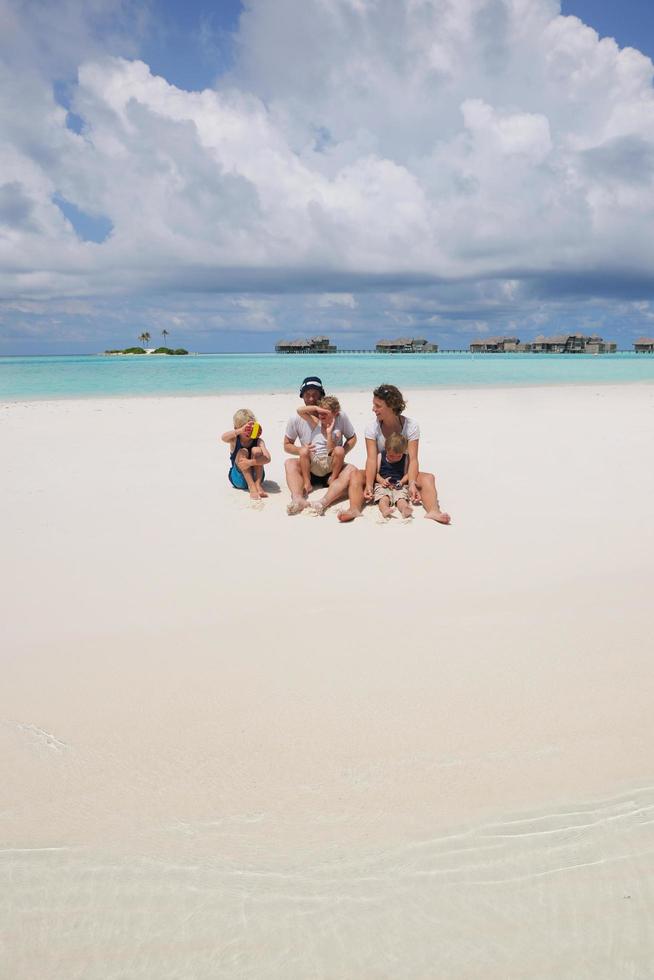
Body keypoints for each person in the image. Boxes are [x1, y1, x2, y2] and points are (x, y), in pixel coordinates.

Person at [338, 383, 451, 524]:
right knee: (355, 475)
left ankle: (433, 511)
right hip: (379, 475)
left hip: (403, 474)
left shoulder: (411, 426)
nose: (373, 409)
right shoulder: (371, 428)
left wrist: (411, 483)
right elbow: (372, 460)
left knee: (429, 478)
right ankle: (354, 509)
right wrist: (368, 484)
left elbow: (413, 459)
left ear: (391, 406)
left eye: (378, 406)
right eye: (374, 405)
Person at [284, 376, 357, 515]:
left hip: (332, 465)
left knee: (352, 470)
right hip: (310, 465)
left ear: (322, 395)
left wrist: (339, 453)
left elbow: (352, 438)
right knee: (289, 463)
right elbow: (287, 445)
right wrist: (302, 450)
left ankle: (324, 502)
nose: (311, 399)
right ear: (302, 396)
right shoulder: (296, 418)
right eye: (307, 395)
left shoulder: (339, 416)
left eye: (315, 395)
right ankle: (298, 498)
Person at [296, 395, 345, 495]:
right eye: (320, 412)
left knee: (339, 450)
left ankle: (333, 479)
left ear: (335, 414)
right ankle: (307, 482)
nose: (322, 414)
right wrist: (316, 408)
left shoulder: (336, 431)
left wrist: (329, 433)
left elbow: (331, 450)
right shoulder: (315, 423)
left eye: (325, 412)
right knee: (303, 450)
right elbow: (299, 411)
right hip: (315, 461)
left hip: (329, 463)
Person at [221, 408, 271, 501]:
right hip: (238, 478)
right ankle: (251, 486)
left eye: (251, 427)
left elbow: (268, 458)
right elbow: (223, 438)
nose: (249, 430)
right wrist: (239, 431)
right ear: (237, 428)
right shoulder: (235, 440)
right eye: (245, 428)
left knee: (257, 450)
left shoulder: (259, 441)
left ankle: (257, 484)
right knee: (242, 451)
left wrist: (250, 462)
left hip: (256, 475)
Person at [374, 431, 413, 520]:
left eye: (398, 456)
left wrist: (402, 482)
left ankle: (404, 509)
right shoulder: (380, 456)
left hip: (399, 485)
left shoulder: (406, 458)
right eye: (391, 456)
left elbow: (407, 474)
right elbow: (375, 473)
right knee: (383, 498)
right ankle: (385, 509)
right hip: (383, 485)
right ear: (386, 449)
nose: (395, 458)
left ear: (403, 452)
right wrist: (382, 481)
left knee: (401, 499)